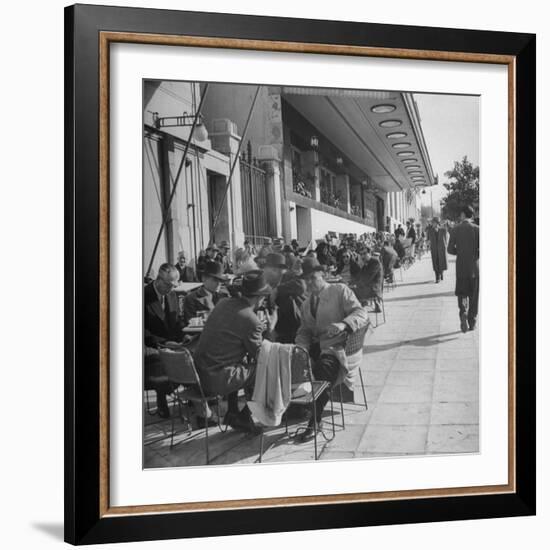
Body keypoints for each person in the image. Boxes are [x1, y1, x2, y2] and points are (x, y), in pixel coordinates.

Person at [294, 258, 369, 441]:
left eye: (313, 277)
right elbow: (304, 330)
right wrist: (301, 347)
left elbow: (361, 313)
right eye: (306, 279)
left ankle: (315, 420)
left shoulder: (339, 290)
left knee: (323, 369)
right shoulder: (306, 303)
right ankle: (299, 408)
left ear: (323, 275)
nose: (310, 282)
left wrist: (344, 325)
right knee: (292, 363)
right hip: (318, 348)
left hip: (341, 348)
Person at [194, 271, 274, 433]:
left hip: (197, 374)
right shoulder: (252, 320)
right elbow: (261, 357)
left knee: (242, 364)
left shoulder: (223, 303)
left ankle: (232, 412)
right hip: (215, 379)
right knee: (267, 369)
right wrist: (270, 330)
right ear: (260, 297)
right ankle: (243, 417)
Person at [144, 263, 183, 418]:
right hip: (149, 345)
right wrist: (163, 344)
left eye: (173, 286)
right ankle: (162, 398)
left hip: (171, 343)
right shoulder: (143, 295)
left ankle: (195, 399)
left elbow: (177, 320)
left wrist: (183, 335)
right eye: (168, 285)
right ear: (158, 280)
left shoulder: (172, 294)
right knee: (165, 359)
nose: (171, 289)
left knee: (193, 352)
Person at [447, 205, 480, 332]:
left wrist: (459, 252)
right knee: (474, 295)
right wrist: (475, 255)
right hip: (474, 268)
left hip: (461, 268)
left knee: (462, 294)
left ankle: (463, 312)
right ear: (471, 215)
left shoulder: (455, 229)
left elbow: (449, 249)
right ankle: (472, 321)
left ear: (462, 215)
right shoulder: (477, 229)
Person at [182, 260, 228, 325]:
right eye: (215, 280)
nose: (218, 283)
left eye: (220, 280)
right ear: (204, 278)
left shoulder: (224, 296)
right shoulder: (191, 298)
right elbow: (190, 323)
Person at [353, 247, 383, 312]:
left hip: (373, 289)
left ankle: (358, 311)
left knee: (350, 292)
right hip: (368, 287)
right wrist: (351, 282)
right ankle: (361, 307)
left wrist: (356, 285)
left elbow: (368, 278)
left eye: (364, 253)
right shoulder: (367, 262)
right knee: (350, 289)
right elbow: (359, 276)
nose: (362, 256)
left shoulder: (375, 262)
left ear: (370, 253)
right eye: (361, 254)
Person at [427, 217, 449, 283]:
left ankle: (441, 273)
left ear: (437, 223)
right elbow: (428, 239)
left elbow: (446, 238)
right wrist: (428, 245)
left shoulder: (443, 230)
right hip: (434, 249)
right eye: (432, 222)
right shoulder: (430, 231)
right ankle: (437, 277)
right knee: (435, 262)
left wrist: (445, 246)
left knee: (442, 262)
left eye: (433, 222)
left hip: (441, 249)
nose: (432, 224)